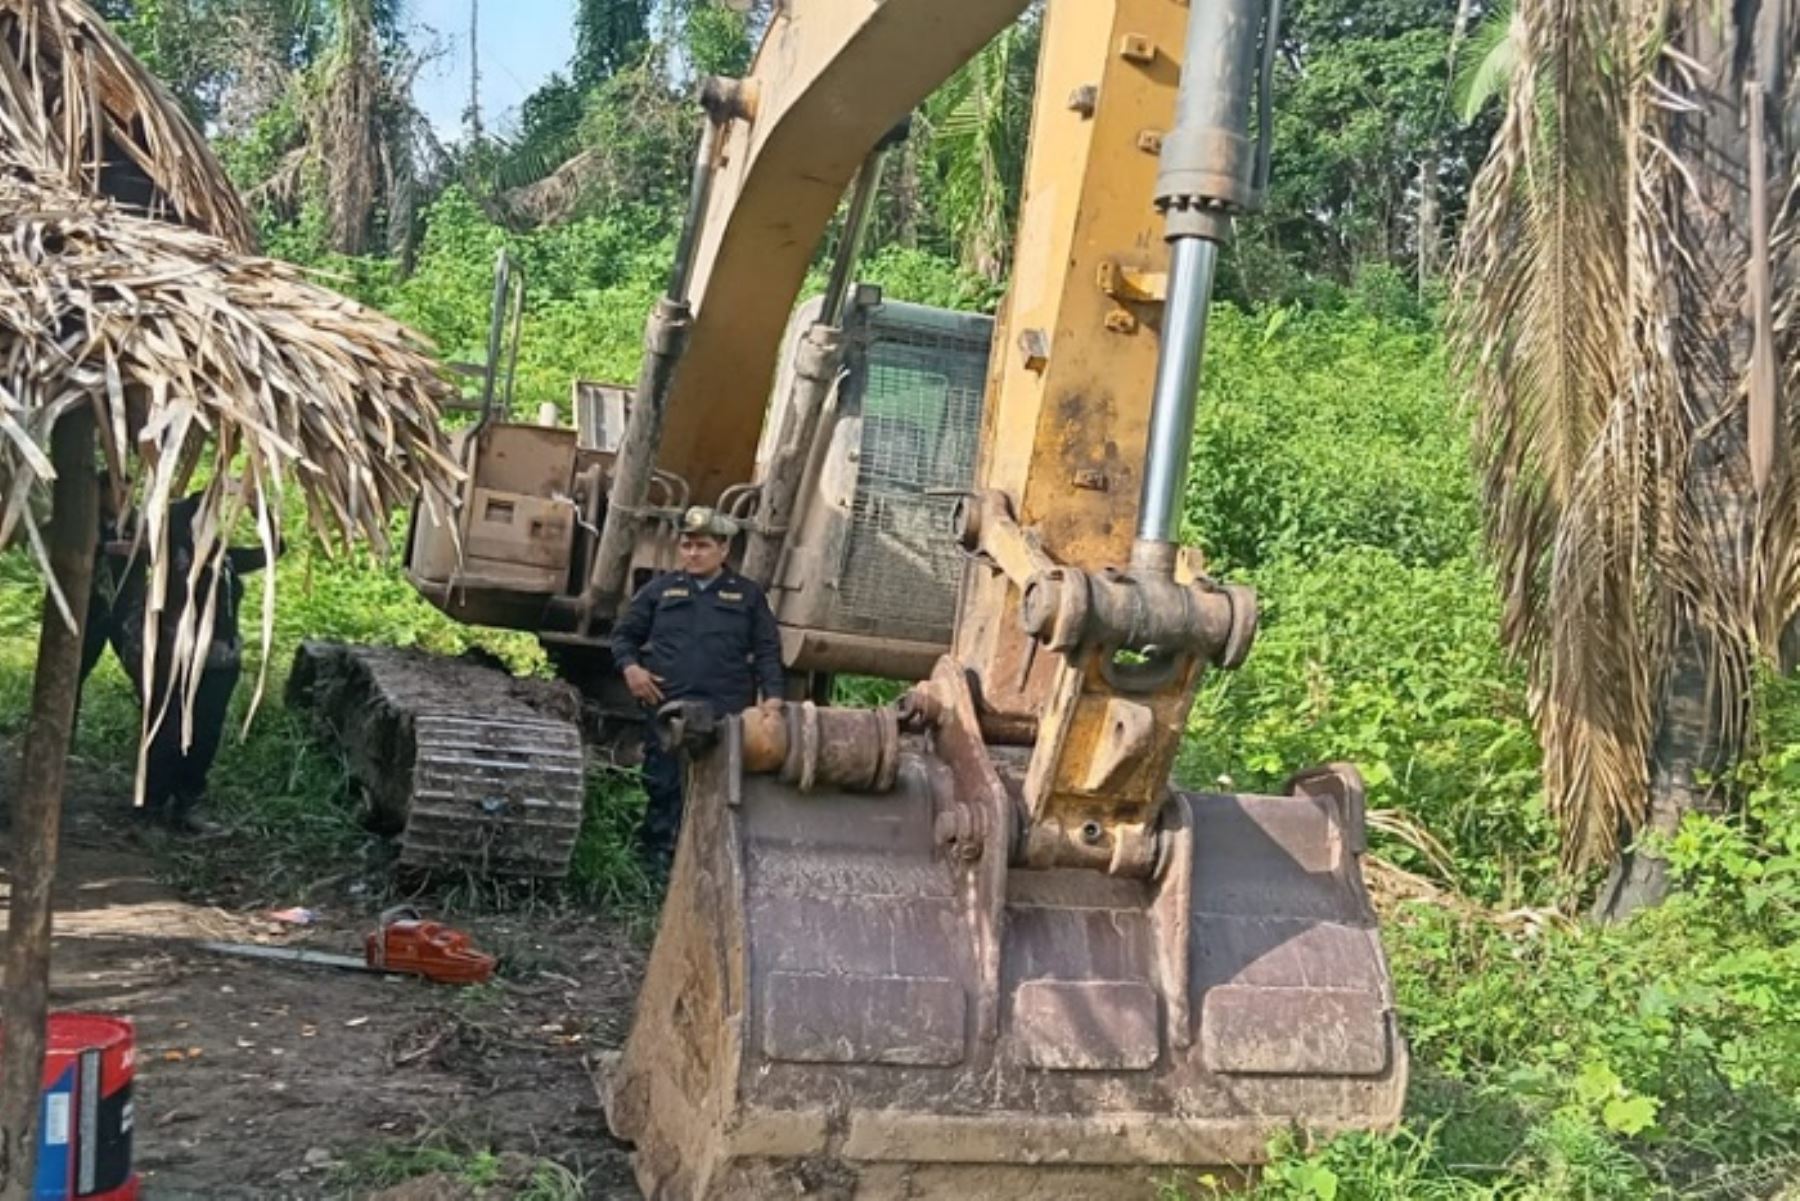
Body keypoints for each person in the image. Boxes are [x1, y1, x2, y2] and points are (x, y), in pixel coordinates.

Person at [610, 506, 785, 873]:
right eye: (687, 545)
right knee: (664, 787)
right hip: (668, 709)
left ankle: (711, 868)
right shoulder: (660, 590)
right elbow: (625, 636)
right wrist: (632, 670)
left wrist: (772, 698)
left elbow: (768, 650)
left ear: (723, 549)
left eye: (702, 546)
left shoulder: (747, 596)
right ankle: (657, 871)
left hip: (725, 711)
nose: (692, 553)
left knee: (721, 790)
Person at [107, 492, 278, 832]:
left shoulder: (224, 559)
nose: (212, 526)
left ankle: (186, 802)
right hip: (175, 659)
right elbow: (128, 546)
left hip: (220, 662)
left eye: (214, 520)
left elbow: (275, 550)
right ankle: (151, 806)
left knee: (205, 734)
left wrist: (258, 508)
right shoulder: (171, 556)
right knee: (166, 732)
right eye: (204, 519)